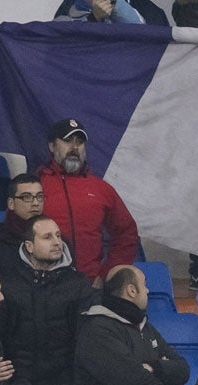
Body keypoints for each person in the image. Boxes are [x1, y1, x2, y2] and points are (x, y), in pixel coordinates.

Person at [0, 215, 89, 385]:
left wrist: (80, 384)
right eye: (47, 237)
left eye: (57, 236)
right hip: (19, 384)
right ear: (29, 245)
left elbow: (85, 340)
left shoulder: (78, 284)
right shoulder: (7, 284)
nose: (57, 242)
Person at [38, 118, 141, 282]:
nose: (74, 147)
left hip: (91, 285)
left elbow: (126, 233)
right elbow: (15, 232)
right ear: (52, 146)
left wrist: (108, 274)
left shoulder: (101, 189)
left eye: (79, 142)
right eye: (67, 141)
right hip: (45, 287)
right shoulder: (35, 185)